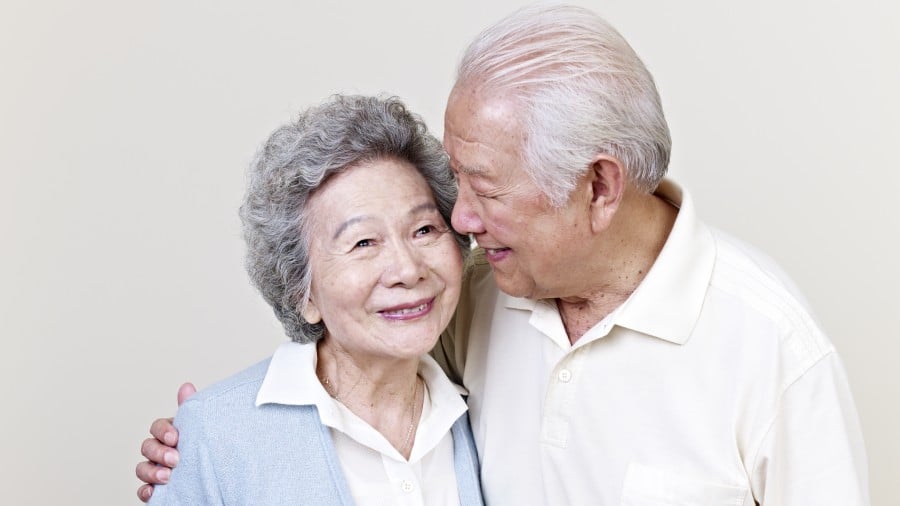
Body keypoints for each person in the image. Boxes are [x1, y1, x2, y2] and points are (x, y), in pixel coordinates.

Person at [138, 4, 869, 505]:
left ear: (600, 186)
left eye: (483, 189)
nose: (458, 222)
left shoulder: (772, 347)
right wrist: (208, 449)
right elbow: (349, 347)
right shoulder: (475, 296)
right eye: (455, 184)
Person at [143, 94, 483, 505]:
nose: (408, 270)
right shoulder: (216, 433)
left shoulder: (484, 412)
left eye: (425, 229)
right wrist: (205, 446)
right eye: (363, 242)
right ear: (302, 292)